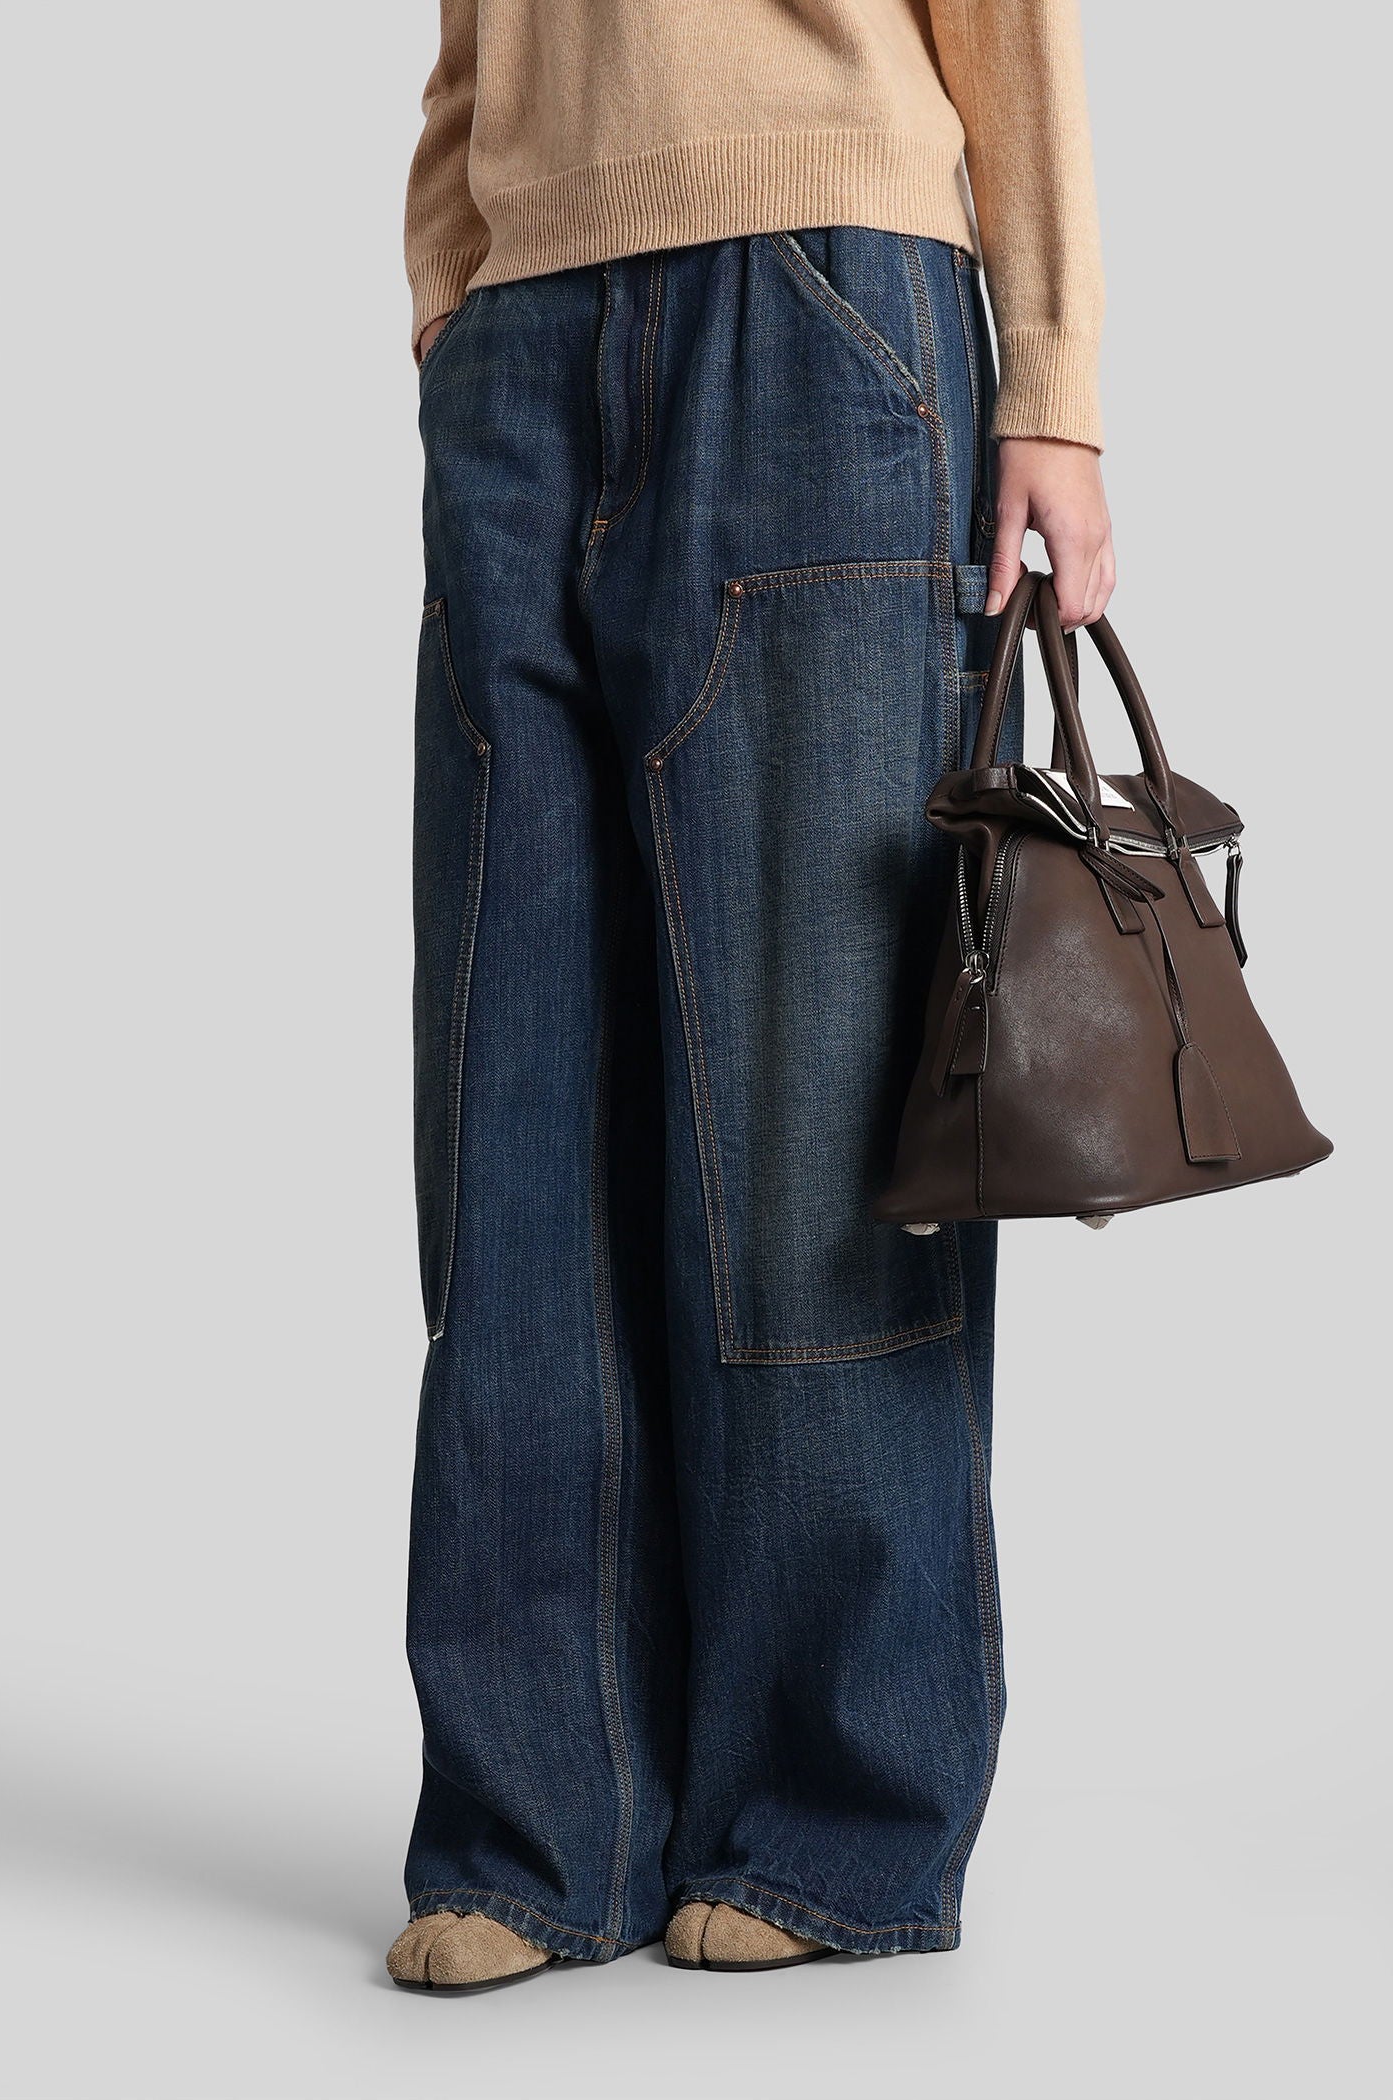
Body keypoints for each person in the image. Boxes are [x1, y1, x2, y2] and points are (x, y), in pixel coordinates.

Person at [387, 0, 1113, 1994]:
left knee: (808, 1101)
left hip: (817, 292)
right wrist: (453, 272)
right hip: (522, 328)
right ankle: (540, 1821)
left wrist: (1051, 383)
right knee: (513, 1099)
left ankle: (834, 1815)